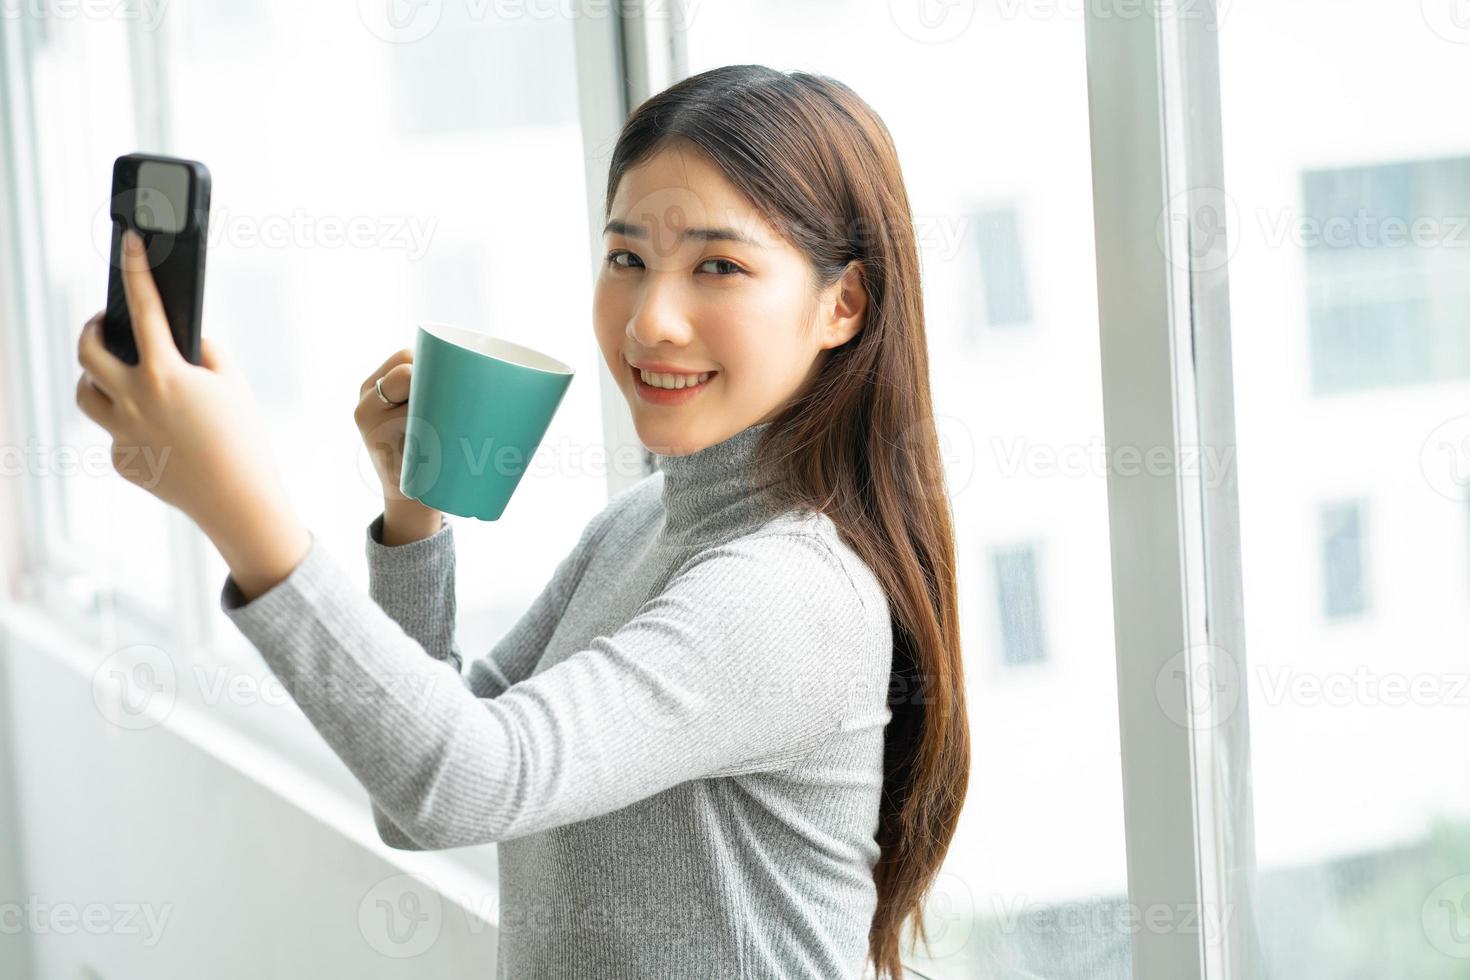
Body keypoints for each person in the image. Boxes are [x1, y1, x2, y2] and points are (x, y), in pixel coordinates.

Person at [75, 63, 969, 980]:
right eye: (627, 258)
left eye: (719, 266)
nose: (651, 319)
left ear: (843, 304)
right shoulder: (640, 525)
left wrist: (239, 507)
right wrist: (411, 519)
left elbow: (465, 784)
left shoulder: (790, 591)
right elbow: (423, 789)